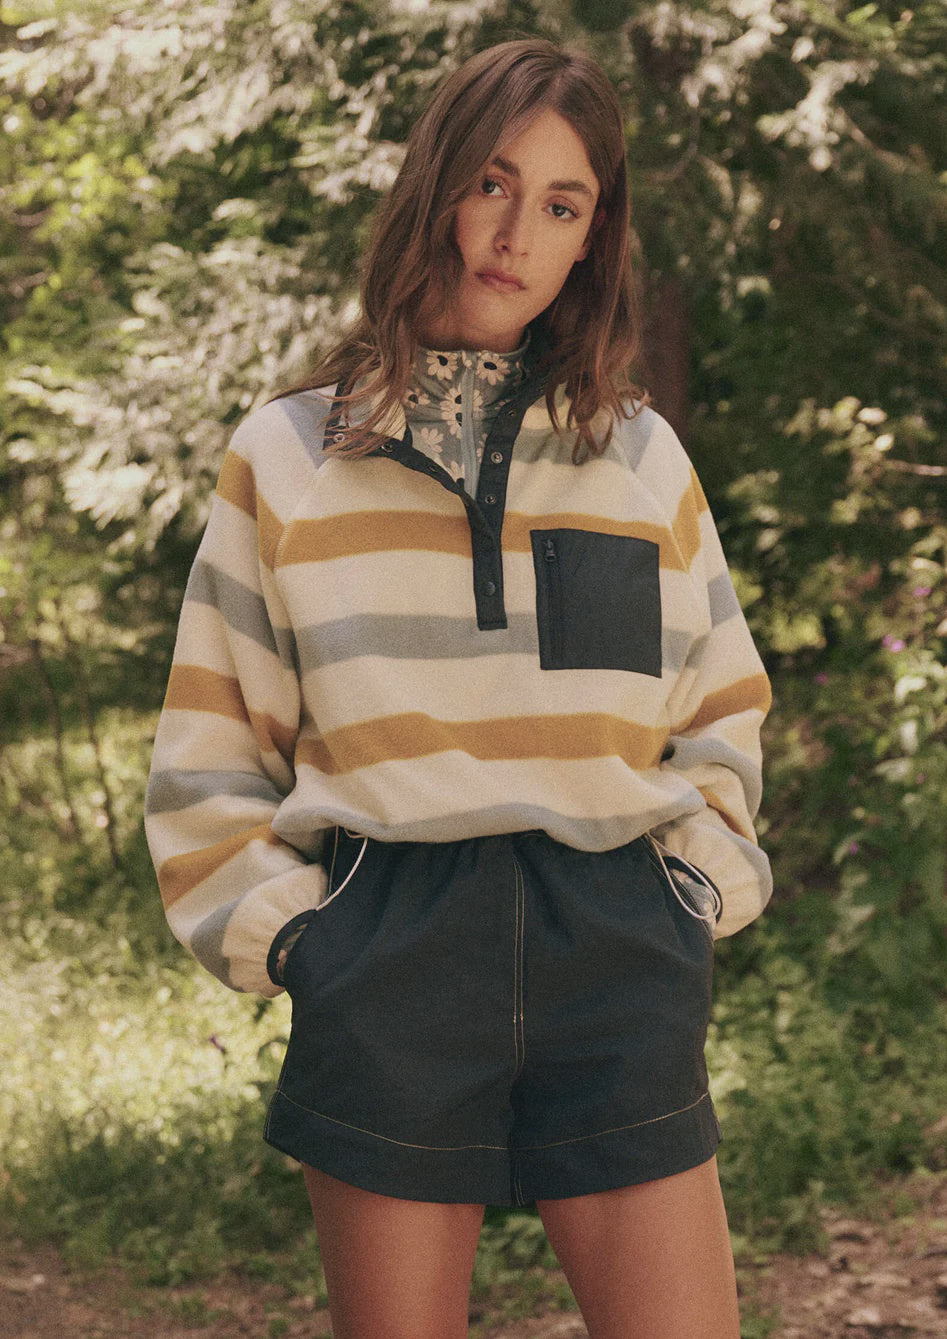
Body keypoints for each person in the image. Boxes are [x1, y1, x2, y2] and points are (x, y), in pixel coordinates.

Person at [144, 36, 772, 1339]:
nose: (516, 233)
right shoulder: (290, 455)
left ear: (594, 237)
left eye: (563, 203)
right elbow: (210, 752)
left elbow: (720, 712)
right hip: (394, 953)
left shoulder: (638, 457)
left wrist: (692, 888)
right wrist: (306, 941)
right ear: (434, 185)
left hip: (617, 947)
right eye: (493, 183)